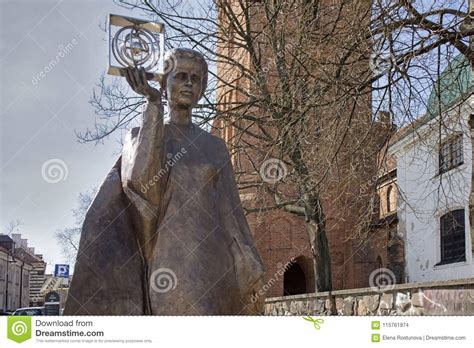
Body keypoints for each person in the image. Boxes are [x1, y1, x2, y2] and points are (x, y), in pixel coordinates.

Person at [65, 48, 265, 315]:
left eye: (196, 79)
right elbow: (141, 189)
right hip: (167, 262)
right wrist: (153, 105)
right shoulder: (141, 134)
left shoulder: (215, 147)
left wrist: (249, 259)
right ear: (164, 82)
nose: (189, 84)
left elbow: (232, 213)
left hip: (213, 264)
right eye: (180, 76)